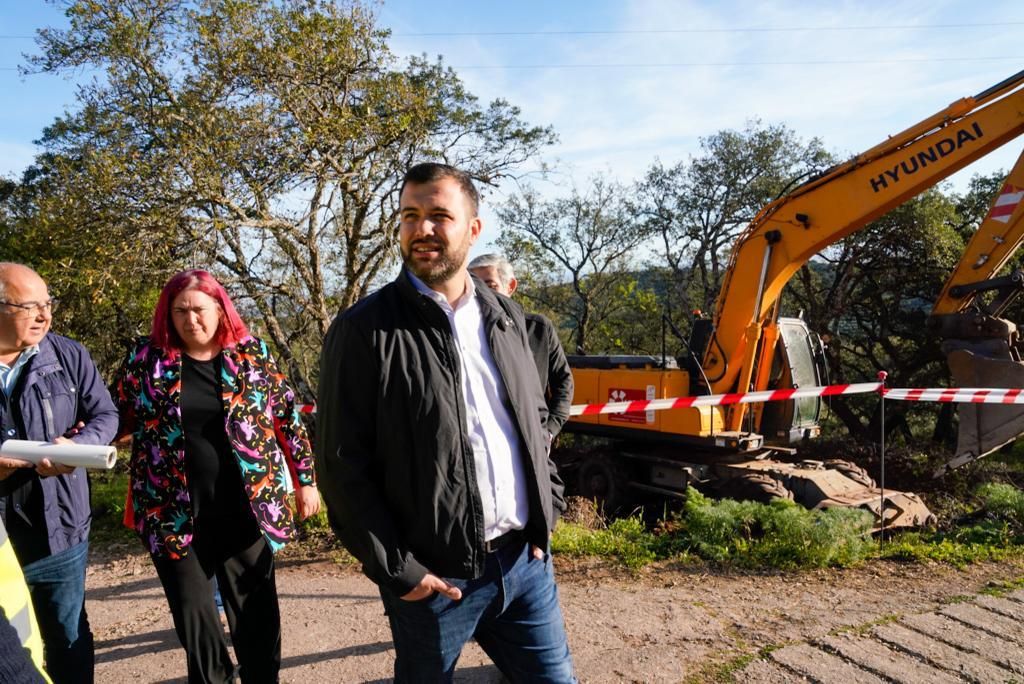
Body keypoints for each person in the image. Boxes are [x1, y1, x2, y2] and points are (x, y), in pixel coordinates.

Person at [317, 163, 576, 682]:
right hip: (436, 584)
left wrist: (547, 511)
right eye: (410, 216)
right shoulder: (363, 331)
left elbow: (529, 425)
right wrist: (401, 571)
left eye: (439, 215)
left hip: (525, 565)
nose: (423, 229)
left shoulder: (507, 319)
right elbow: (341, 468)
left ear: (473, 228)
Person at [113, 269, 319, 683]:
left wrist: (305, 481)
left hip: (246, 510)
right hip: (170, 511)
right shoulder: (147, 361)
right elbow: (114, 416)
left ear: (220, 310)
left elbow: (287, 418)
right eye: (180, 311)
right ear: (167, 316)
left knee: (257, 622)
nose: (191, 320)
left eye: (200, 310)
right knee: (196, 624)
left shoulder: (251, 354)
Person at [0, 262, 118, 684]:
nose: (44, 316)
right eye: (29, 306)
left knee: (67, 637)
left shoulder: (68, 354)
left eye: (47, 304)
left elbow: (105, 414)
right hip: (2, 543)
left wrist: (80, 448)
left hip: (59, 530)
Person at [468, 253, 574, 440]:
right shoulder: (464, 333)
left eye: (491, 286)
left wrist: (549, 430)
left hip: (532, 439)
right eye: (475, 287)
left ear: (510, 286)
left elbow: (563, 382)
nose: (483, 294)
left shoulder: (538, 329)